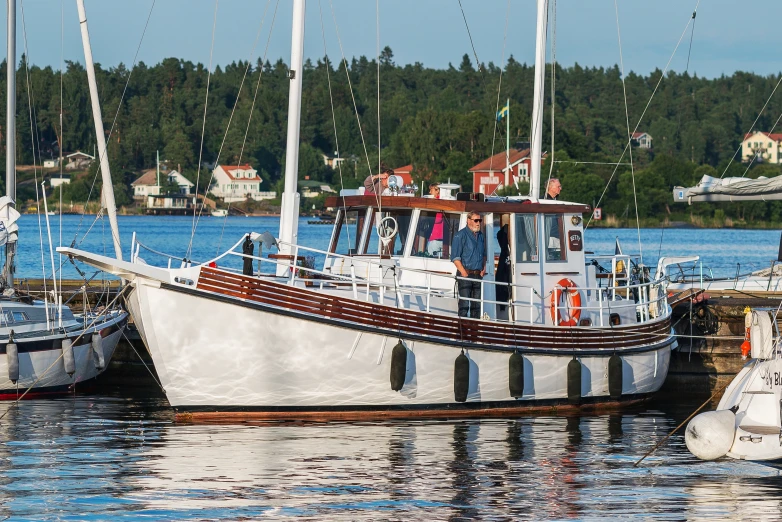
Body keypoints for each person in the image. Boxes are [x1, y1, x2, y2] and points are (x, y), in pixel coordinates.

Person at [451, 211, 486, 318]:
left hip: (477, 275)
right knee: (464, 305)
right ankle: (463, 330)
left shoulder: (481, 236)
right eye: (476, 220)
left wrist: (483, 268)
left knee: (476, 306)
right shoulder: (460, 235)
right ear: (468, 221)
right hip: (465, 274)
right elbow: (455, 258)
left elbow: (483, 254)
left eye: (479, 220)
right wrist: (464, 272)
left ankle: (474, 331)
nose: (478, 223)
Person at [427, 183, 444, 256]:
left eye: (431, 190)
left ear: (437, 191)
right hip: (445, 239)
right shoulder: (444, 201)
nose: (430, 192)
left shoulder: (437, 202)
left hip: (436, 237)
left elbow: (438, 219)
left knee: (431, 256)